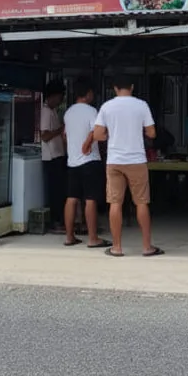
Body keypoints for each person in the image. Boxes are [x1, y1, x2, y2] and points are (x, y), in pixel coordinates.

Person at [93, 75, 163, 257]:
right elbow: (152, 133)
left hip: (115, 160)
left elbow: (98, 134)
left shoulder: (107, 107)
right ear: (132, 87)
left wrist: (112, 135)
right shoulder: (141, 105)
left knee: (115, 203)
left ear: (115, 88)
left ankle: (116, 247)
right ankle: (147, 247)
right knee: (141, 202)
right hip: (136, 160)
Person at [62, 79, 110, 249]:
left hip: (72, 161)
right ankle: (92, 238)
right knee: (90, 199)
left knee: (71, 198)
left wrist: (73, 150)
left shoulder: (68, 113)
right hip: (89, 161)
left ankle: (69, 237)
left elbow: (65, 136)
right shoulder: (91, 111)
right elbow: (96, 132)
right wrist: (88, 143)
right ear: (88, 93)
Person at [39, 79, 68, 232]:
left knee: (60, 190)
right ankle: (56, 221)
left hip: (58, 155)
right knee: (55, 192)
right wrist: (60, 129)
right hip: (51, 158)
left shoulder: (53, 111)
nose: (61, 100)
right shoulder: (45, 111)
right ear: (53, 96)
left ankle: (60, 220)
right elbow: (44, 136)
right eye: (60, 96)